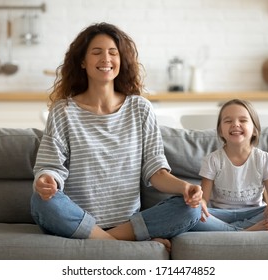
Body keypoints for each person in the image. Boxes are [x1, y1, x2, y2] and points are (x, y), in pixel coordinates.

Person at [30, 22, 202, 251]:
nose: (106, 59)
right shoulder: (64, 111)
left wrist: (185, 188)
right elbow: (50, 165)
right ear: (83, 61)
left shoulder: (140, 108)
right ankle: (121, 243)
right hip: (75, 217)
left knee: (191, 208)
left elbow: (156, 171)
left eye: (113, 52)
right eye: (96, 52)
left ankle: (100, 239)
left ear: (122, 61)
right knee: (41, 203)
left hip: (127, 222)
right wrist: (46, 179)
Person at [190, 99, 268, 232]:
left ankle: (229, 231)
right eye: (228, 121)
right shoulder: (212, 160)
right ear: (220, 131)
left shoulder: (263, 158)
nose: (235, 124)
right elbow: (204, 200)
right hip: (221, 215)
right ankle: (244, 230)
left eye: (243, 120)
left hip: (254, 213)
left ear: (254, 129)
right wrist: (200, 204)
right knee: (190, 213)